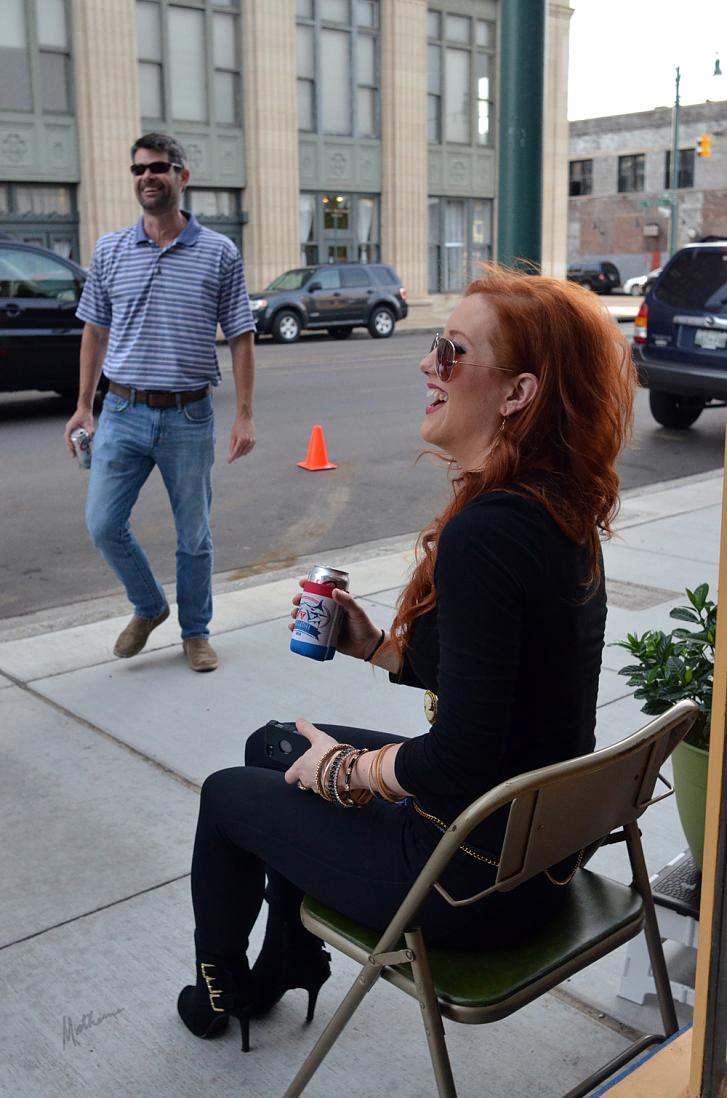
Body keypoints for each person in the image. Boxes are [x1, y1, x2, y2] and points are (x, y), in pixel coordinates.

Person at [176, 266, 636, 1051]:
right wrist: (370, 646)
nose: (428, 364)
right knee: (269, 745)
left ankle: (225, 990)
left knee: (227, 795)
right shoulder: (552, 511)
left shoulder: (486, 534)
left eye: (451, 352)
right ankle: (290, 958)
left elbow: (458, 760)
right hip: (532, 859)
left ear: (517, 393)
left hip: (464, 883)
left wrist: (346, 772)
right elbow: (502, 689)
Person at [63, 133, 255, 672]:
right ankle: (149, 606)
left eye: (158, 167)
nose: (147, 176)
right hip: (122, 412)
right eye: (139, 169)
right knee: (103, 524)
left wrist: (244, 414)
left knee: (193, 535)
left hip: (189, 415)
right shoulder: (110, 250)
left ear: (181, 176)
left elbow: (241, 335)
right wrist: (83, 406)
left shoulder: (219, 252)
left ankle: (196, 632)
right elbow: (94, 331)